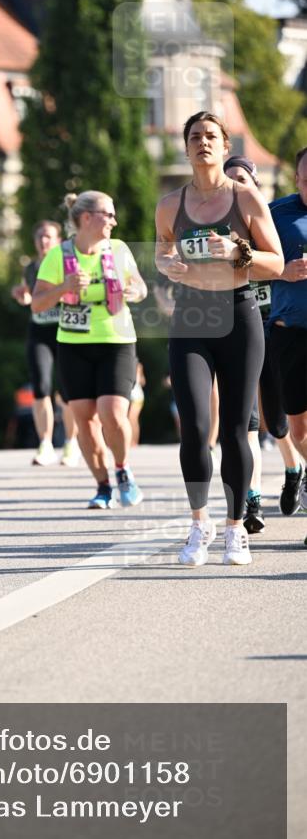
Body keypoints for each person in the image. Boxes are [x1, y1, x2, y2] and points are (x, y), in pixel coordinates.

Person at [155, 112, 283, 567]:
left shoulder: (245, 198)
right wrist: (168, 265)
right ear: (186, 148)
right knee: (193, 425)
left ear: (224, 146)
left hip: (239, 315)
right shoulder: (170, 204)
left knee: (234, 428)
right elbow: (163, 251)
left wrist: (238, 251)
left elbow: (277, 263)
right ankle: (198, 524)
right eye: (195, 137)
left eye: (211, 136)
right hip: (191, 316)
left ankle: (234, 530)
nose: (203, 143)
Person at [31, 191, 147, 508]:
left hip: (117, 342)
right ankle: (102, 485)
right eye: (107, 215)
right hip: (74, 346)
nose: (114, 220)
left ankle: (123, 471)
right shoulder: (58, 256)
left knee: (112, 412)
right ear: (86, 218)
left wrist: (133, 289)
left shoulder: (120, 250)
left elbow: (140, 287)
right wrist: (64, 288)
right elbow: (37, 303)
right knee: (85, 421)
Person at [223, 154, 302, 530]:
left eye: (242, 178)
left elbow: (280, 266)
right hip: (240, 329)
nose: (235, 184)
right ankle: (252, 501)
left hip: (275, 328)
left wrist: (280, 272)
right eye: (229, 179)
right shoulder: (216, 226)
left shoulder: (270, 219)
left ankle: (292, 466)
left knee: (277, 420)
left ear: (254, 183)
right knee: (247, 420)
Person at [11, 221, 80, 467]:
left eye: (49, 237)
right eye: (40, 237)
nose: (44, 241)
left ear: (59, 239)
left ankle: (71, 444)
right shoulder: (31, 267)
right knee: (41, 387)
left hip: (65, 332)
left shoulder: (68, 263)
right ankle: (46, 444)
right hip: (39, 331)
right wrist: (23, 296)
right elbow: (33, 297)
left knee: (67, 392)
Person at [267, 146, 307, 531]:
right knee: (298, 431)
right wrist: (284, 270)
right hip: (289, 334)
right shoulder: (276, 213)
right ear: (297, 179)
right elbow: (247, 265)